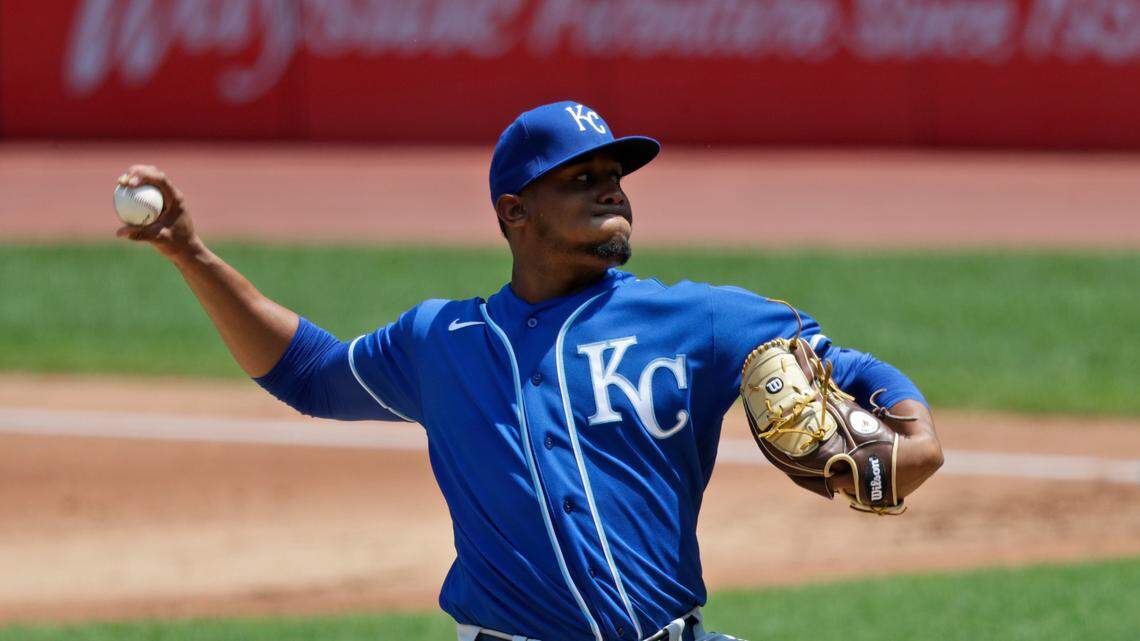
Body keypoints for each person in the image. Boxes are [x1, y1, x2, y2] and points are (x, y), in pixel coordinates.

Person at [115, 101, 943, 641]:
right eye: (580, 180)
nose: (609, 193)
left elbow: (852, 366)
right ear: (514, 213)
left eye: (614, 178)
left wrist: (913, 434)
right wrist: (189, 253)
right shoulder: (443, 339)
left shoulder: (700, 319)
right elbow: (309, 372)